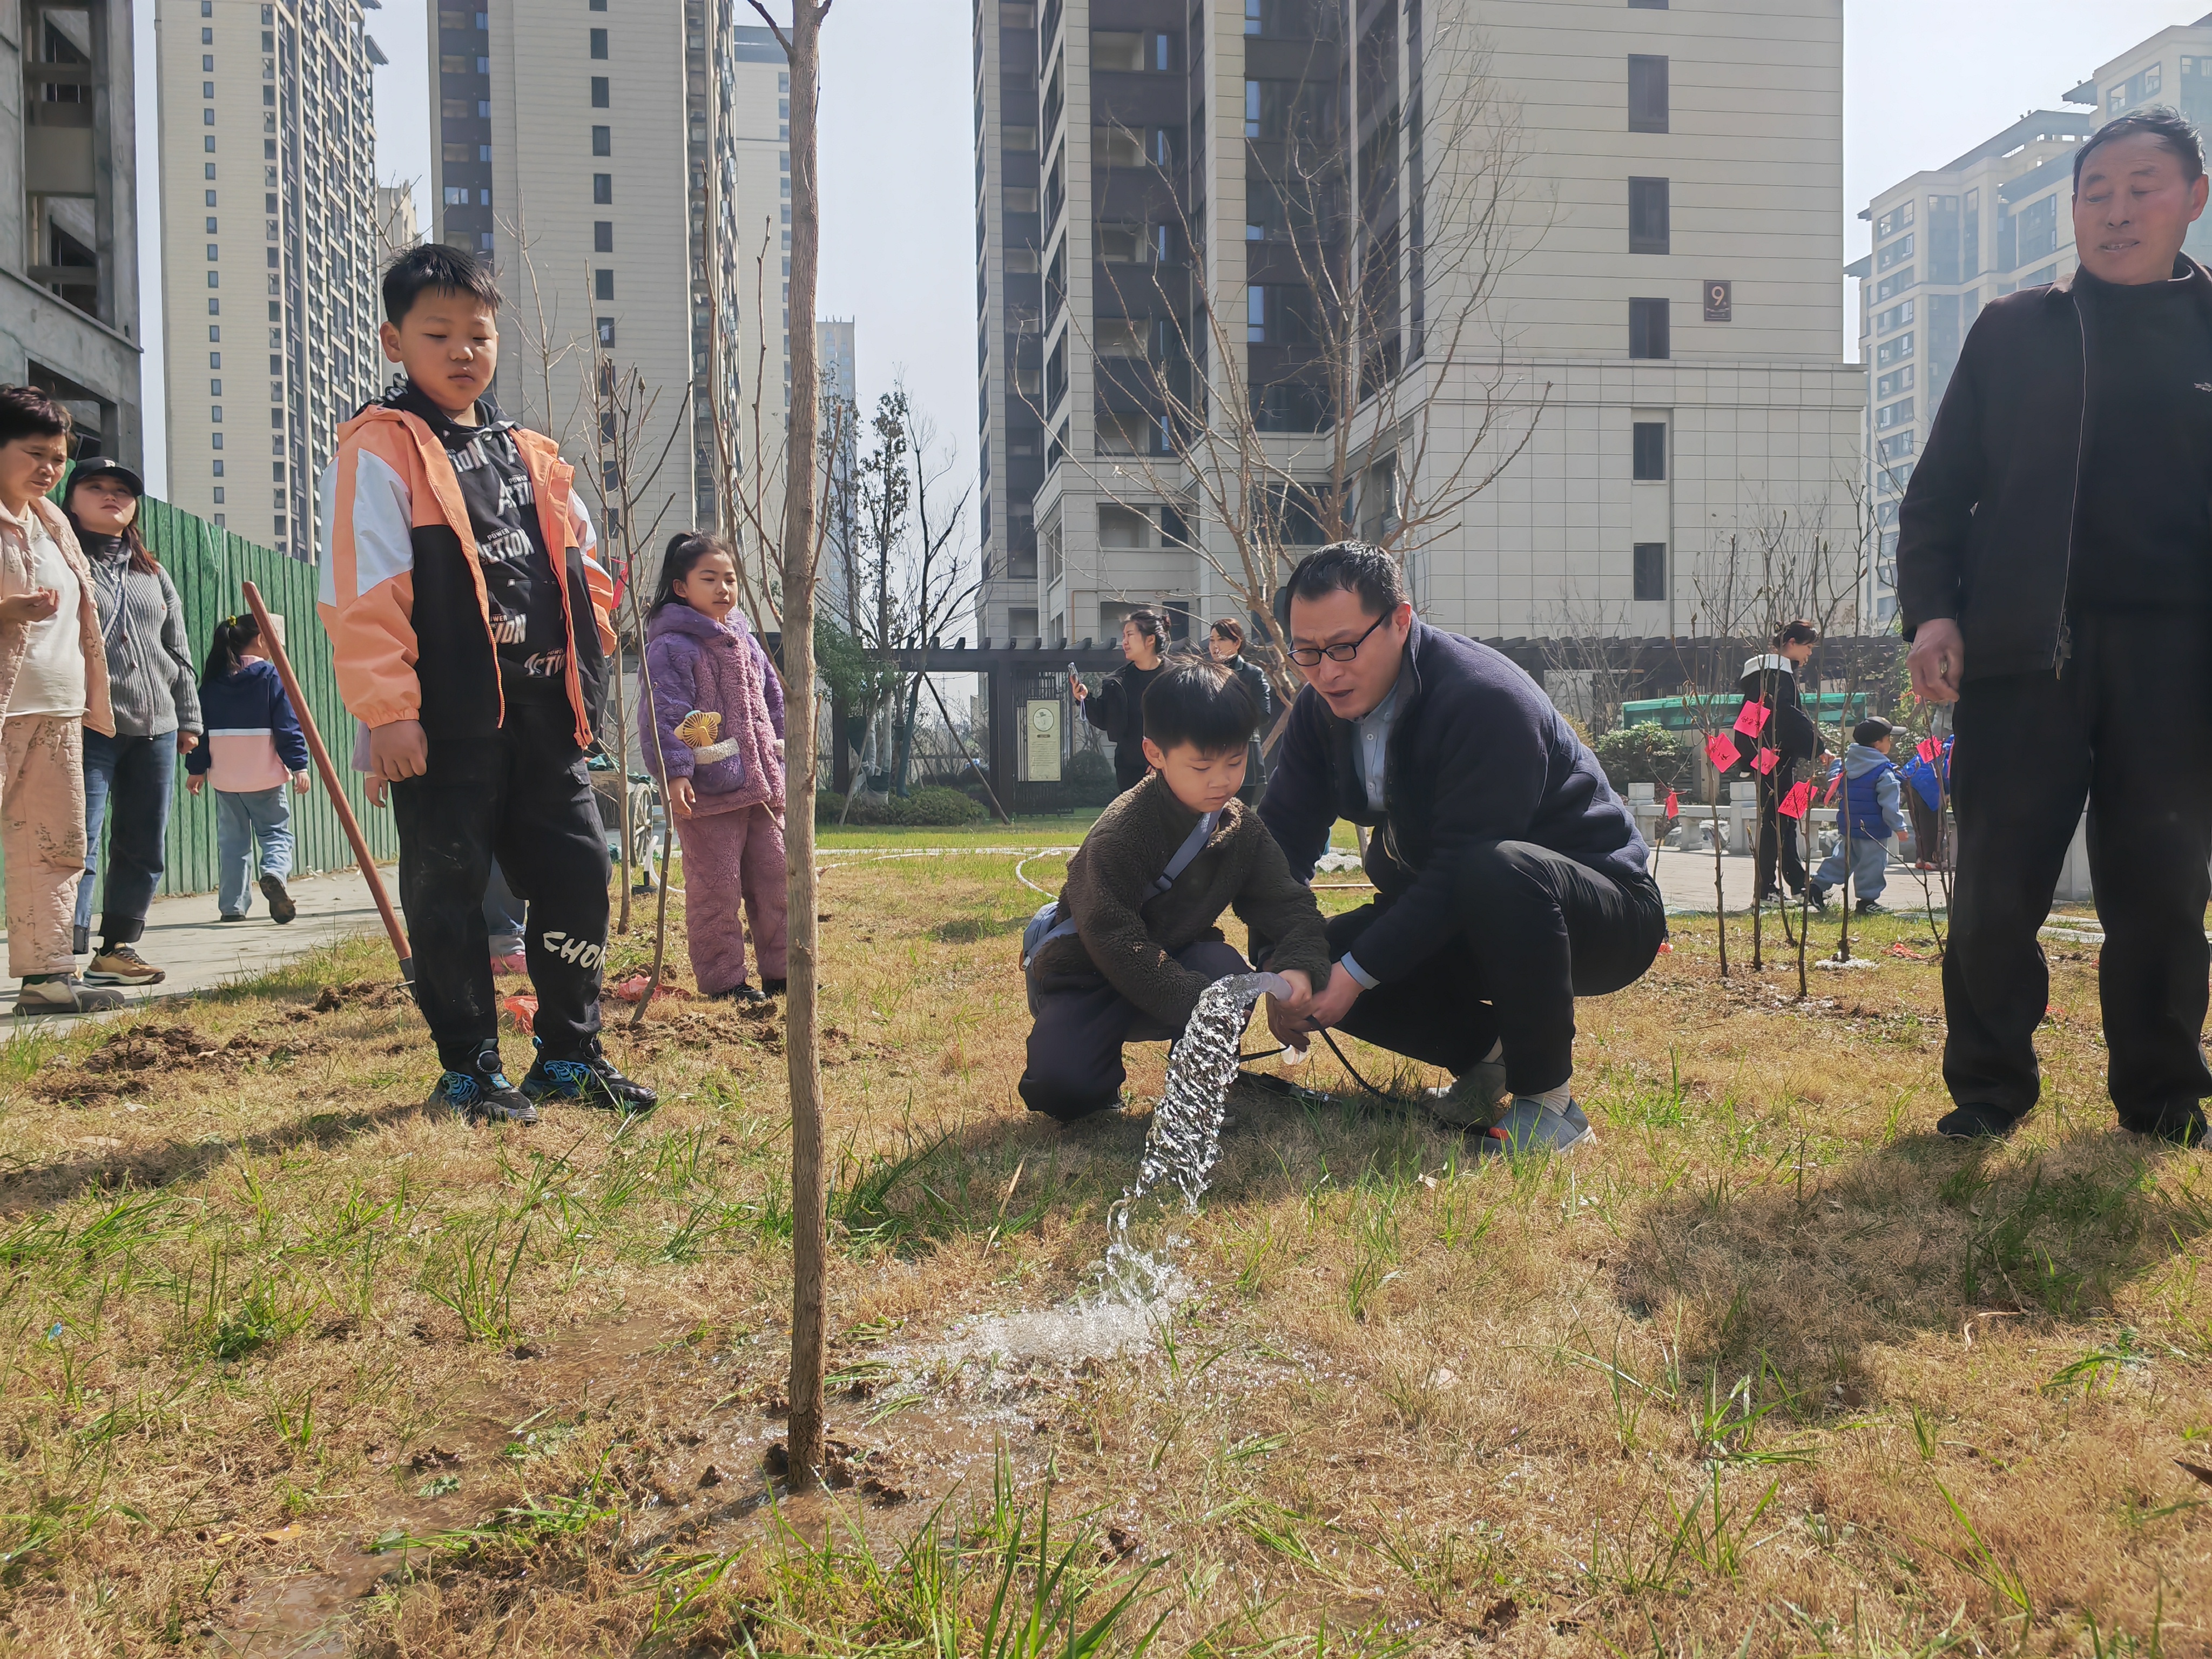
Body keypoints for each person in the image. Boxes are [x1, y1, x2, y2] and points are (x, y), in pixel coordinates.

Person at [1899, 107, 2212, 1145]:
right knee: (1997, 881)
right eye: (2096, 192)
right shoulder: (2013, 330)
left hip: (2178, 662)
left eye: (2142, 187)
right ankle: (1988, 1091)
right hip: (2027, 650)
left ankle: (2163, 1096)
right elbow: (1938, 494)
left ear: (2194, 198)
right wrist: (1933, 612)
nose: (2117, 211)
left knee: (2164, 889)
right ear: (2072, 210)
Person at [319, 244, 654, 1124]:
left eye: (479, 333)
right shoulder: (381, 452)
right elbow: (363, 594)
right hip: (448, 722)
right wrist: (388, 714)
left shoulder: (529, 456)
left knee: (580, 870)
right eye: (439, 333)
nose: (463, 350)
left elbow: (579, 564)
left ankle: (569, 1054)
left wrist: (593, 637)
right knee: (449, 888)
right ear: (396, 343)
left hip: (548, 714)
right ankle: (468, 1068)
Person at [1259, 542, 1666, 1150]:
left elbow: (1461, 866)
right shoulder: (1321, 713)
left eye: (1344, 647)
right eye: (1307, 652)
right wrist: (1282, 963)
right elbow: (1279, 844)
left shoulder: (1483, 699)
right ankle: (1487, 1055)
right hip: (1464, 909)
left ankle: (1550, 1103)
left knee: (1491, 868)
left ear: (1400, 620)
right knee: (1327, 956)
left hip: (1595, 914)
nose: (1326, 672)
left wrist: (1354, 977)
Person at [1019, 658, 1331, 1121]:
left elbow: (1290, 905)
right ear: (1155, 753)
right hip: (1091, 974)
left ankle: (1196, 1081)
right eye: (1202, 765)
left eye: (1235, 760)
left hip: (1177, 963)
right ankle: (1094, 1075)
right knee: (1062, 1090)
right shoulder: (1122, 830)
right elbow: (1113, 938)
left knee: (1227, 972)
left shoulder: (1242, 828)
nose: (1223, 780)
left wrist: (1302, 969)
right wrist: (1198, 1001)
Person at [0, 388, 124, 1015]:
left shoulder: (53, 523)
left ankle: (47, 978)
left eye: (57, 456)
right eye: (34, 453)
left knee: (54, 845)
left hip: (57, 709)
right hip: (6, 707)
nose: (49, 468)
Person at [63, 459, 203, 986]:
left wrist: (188, 718)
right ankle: (62, 957)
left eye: (121, 491)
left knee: (144, 843)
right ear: (71, 501)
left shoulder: (154, 572)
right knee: (79, 841)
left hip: (157, 727)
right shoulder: (60, 559)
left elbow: (178, 649)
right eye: (95, 488)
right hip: (87, 724)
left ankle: (116, 949)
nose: (110, 496)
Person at [639, 532, 788, 1004]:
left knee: (776, 877)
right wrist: (677, 772)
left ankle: (784, 972)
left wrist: (785, 748)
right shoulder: (671, 648)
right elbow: (664, 714)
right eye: (710, 579)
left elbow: (773, 699)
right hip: (708, 789)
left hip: (762, 784)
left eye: (729, 579)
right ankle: (725, 982)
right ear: (681, 588)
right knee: (715, 889)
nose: (724, 588)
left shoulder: (745, 640)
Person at [185, 613, 309, 922]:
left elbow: (200, 729)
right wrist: (299, 766)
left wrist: (196, 770)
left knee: (233, 842)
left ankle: (232, 907)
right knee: (275, 833)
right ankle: (275, 875)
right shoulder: (270, 676)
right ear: (262, 640)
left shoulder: (213, 681)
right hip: (263, 775)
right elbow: (287, 726)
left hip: (226, 779)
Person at [1740, 619, 1824, 904]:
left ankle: (1792, 884)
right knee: (1778, 823)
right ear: (1791, 644)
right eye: (1808, 647)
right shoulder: (1778, 675)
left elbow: (1751, 723)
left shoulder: (1762, 674)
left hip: (1767, 758)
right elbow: (1786, 715)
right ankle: (1771, 889)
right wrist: (1817, 745)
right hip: (1776, 759)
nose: (1809, 654)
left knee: (1780, 821)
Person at [1805, 718, 1905, 915]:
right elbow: (1890, 804)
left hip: (1850, 825)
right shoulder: (1883, 772)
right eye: (1888, 739)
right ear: (1877, 744)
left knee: (1842, 859)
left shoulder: (1846, 766)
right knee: (1872, 865)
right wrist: (1899, 827)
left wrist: (1833, 764)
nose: (1890, 743)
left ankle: (1817, 886)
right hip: (1874, 830)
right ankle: (1867, 901)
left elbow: (1834, 773)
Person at [1072, 609, 1167, 794]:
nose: (1124, 642)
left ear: (1150, 640)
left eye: (1130, 635)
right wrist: (1085, 698)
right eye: (1123, 636)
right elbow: (1105, 719)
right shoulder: (1117, 681)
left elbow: (1187, 725)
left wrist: (1164, 762)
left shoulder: (1176, 678)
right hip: (1129, 770)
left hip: (1170, 768)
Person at [1208, 617, 1273, 804]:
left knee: (1243, 819)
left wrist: (1227, 718)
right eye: (1212, 640)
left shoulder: (1252, 674)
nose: (1215, 646)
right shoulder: (1204, 674)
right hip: (1210, 756)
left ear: (1237, 643)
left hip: (1245, 756)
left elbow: (1264, 714)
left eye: (1221, 639)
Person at [1901, 732, 1953, 870]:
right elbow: (1949, 773)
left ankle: (1921, 858)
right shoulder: (1954, 750)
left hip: (1909, 777)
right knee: (1934, 822)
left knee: (1919, 821)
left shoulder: (1941, 745)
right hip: (1929, 784)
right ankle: (1933, 859)